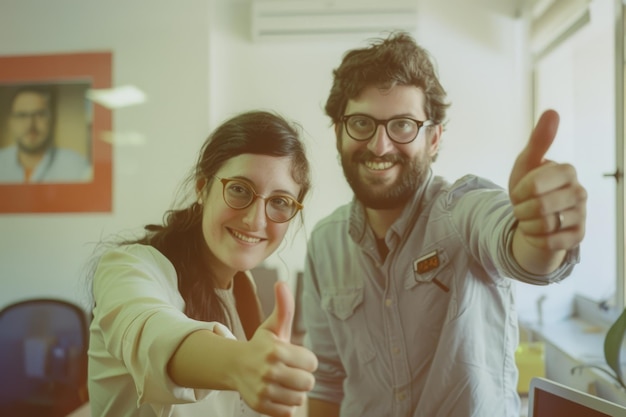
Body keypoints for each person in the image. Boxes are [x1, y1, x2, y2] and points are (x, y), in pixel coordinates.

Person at [302, 32, 587, 417]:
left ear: (434, 138)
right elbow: (328, 381)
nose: (380, 145)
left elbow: (515, 245)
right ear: (338, 132)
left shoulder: (462, 210)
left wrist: (542, 237)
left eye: (402, 125)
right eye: (361, 123)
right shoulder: (324, 243)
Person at [88, 110, 318, 417]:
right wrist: (240, 364)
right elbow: (152, 335)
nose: (255, 220)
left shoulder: (241, 286)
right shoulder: (129, 268)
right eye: (239, 189)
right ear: (202, 189)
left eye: (279, 201)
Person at [0, 85, 91, 183]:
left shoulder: (77, 167)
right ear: (10, 122)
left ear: (51, 120)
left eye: (40, 114)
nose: (30, 125)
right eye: (22, 115)